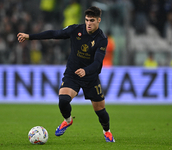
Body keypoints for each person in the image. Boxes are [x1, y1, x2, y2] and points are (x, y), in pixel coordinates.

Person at [17, 6, 115, 142]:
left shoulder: (101, 39)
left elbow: (98, 63)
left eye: (92, 20)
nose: (89, 23)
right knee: (63, 100)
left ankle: (107, 131)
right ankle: (68, 120)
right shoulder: (76, 29)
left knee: (100, 111)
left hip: (90, 77)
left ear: (99, 20)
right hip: (73, 73)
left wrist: (86, 71)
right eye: (87, 20)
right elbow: (54, 34)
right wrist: (30, 37)